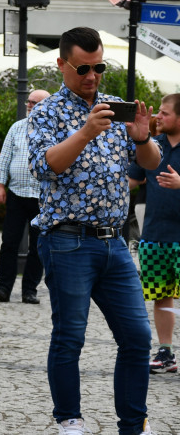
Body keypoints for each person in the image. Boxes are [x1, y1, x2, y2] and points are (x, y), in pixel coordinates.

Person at [28, 27, 160, 435]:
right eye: (83, 67)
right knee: (70, 337)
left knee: (138, 337)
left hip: (114, 241)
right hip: (67, 239)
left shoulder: (114, 107)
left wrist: (141, 139)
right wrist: (85, 132)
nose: (92, 75)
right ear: (62, 64)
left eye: (99, 66)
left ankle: (133, 425)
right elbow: (43, 167)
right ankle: (70, 419)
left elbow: (152, 164)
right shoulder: (46, 113)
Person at [127, 93, 180, 375]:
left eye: (165, 113)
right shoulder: (152, 146)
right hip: (155, 234)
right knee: (161, 295)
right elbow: (131, 180)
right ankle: (166, 353)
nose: (159, 117)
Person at [0, 89, 50, 305]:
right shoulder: (17, 128)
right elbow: (5, 158)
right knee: (9, 242)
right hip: (16, 193)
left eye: (35, 102)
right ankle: (4, 288)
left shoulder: (53, 130)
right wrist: (0, 186)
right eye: (29, 101)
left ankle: (30, 290)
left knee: (38, 246)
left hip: (42, 197)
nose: (30, 105)